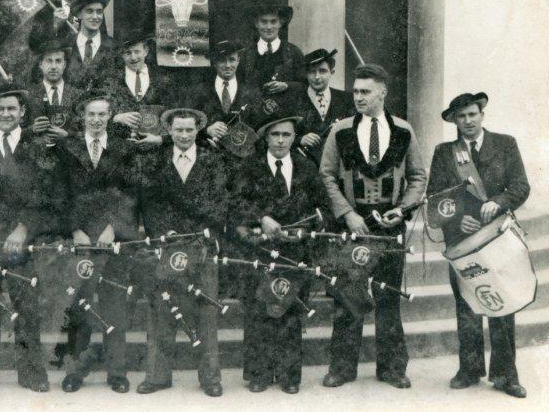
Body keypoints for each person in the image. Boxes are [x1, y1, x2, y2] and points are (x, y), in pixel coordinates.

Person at [319, 64, 426, 389]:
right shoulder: (341, 131)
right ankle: (341, 368)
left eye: (365, 92)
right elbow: (326, 175)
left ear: (382, 92)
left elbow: (418, 177)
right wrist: (346, 213)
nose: (358, 97)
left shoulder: (404, 131)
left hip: (389, 227)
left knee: (388, 298)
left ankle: (392, 368)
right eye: (355, 92)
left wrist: (403, 209)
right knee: (348, 297)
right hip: (352, 225)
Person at [0, 85, 64, 392]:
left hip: (22, 238)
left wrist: (24, 228)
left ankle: (32, 374)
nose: (6, 114)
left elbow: (46, 194)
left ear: (22, 112)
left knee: (26, 304)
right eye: (0, 109)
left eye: (12, 109)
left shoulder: (37, 145)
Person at [426, 92, 530, 398]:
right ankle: (469, 369)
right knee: (468, 303)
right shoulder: (445, 152)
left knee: (503, 301)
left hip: (497, 235)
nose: (468, 121)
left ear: (482, 115)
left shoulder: (506, 143)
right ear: (454, 121)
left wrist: (498, 202)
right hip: (462, 239)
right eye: (461, 117)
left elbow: (521, 186)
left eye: (472, 114)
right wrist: (457, 220)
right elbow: (435, 199)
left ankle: (505, 374)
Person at [232, 110, 333, 394]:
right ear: (265, 138)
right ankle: (259, 374)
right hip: (260, 250)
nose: (280, 141)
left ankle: (290, 376)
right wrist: (261, 217)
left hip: (294, 251)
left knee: (290, 311)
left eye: (286, 134)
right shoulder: (249, 168)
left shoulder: (305, 166)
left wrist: (303, 230)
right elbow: (235, 202)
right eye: (275, 135)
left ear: (294, 137)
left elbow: (322, 207)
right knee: (258, 311)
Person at [55, 93, 141, 394]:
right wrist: (75, 230)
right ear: (83, 117)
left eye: (102, 114)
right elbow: (61, 194)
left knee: (113, 304)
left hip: (111, 239)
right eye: (91, 114)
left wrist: (113, 228)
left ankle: (117, 371)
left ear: (109, 116)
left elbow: (130, 194)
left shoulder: (123, 150)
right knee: (79, 304)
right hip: (81, 239)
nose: (96, 120)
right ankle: (75, 371)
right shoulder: (68, 150)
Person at [136, 108, 225, 397]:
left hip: (202, 246)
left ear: (198, 130)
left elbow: (219, 201)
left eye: (189, 130)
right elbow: (148, 203)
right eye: (179, 130)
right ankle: (158, 375)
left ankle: (210, 377)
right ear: (169, 132)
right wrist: (164, 232)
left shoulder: (212, 161)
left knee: (206, 312)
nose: (184, 135)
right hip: (168, 246)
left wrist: (200, 233)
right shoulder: (155, 161)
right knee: (163, 310)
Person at [190, 40, 261, 148]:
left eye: (232, 60)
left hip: (241, 156)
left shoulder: (251, 92)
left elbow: (257, 126)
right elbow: (188, 121)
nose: (228, 65)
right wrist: (207, 129)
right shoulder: (200, 91)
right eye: (222, 60)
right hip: (207, 154)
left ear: (238, 61)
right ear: (214, 63)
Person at [106, 32, 173, 139]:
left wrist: (160, 138)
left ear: (146, 51)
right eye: (128, 53)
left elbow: (171, 114)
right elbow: (99, 111)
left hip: (154, 145)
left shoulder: (162, 78)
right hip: (121, 144)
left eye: (137, 52)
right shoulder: (111, 79)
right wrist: (116, 117)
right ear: (122, 55)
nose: (133, 57)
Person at [293, 48, 354, 163]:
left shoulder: (347, 99)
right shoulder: (293, 100)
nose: (317, 77)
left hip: (338, 166)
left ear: (332, 72)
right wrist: (300, 140)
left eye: (322, 71)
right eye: (312, 72)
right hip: (303, 166)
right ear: (306, 74)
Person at [241, 2, 305, 94]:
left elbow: (305, 85)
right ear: (256, 24)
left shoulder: (294, 52)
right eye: (264, 22)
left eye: (273, 21)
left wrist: (287, 85)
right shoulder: (246, 55)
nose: (269, 27)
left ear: (280, 23)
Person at [28, 39, 83, 142]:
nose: (53, 67)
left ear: (64, 65)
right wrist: (32, 129)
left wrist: (67, 135)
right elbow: (16, 132)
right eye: (49, 61)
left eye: (58, 61)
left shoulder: (78, 95)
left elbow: (88, 132)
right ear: (40, 64)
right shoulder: (29, 95)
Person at [63, 0, 118, 90]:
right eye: (89, 11)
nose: (95, 17)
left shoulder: (115, 47)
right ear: (79, 14)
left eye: (99, 12)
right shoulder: (65, 45)